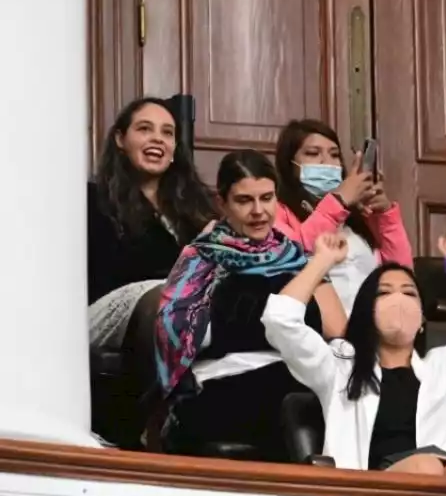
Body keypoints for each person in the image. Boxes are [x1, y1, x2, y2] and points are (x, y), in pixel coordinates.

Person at [263, 232, 446, 473]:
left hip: (442, 483)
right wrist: (322, 261)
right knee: (428, 467)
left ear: (422, 319)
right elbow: (280, 320)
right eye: (385, 293)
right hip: (368, 493)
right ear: (366, 310)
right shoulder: (339, 364)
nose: (398, 300)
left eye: (409, 293)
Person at [154, 150, 345, 460]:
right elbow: (176, 332)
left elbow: (336, 326)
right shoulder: (202, 257)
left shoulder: (297, 257)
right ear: (222, 203)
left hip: (297, 376)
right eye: (244, 201)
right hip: (222, 384)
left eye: (266, 198)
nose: (258, 211)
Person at [88, 97, 217, 350]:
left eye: (167, 133)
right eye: (144, 128)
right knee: (171, 298)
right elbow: (117, 271)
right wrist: (193, 260)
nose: (158, 138)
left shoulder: (195, 208)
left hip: (185, 305)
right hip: (113, 305)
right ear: (120, 139)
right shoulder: (94, 199)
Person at [273, 119, 412, 312]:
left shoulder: (356, 215)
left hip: (367, 330)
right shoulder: (275, 211)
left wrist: (384, 215)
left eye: (335, 155)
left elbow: (401, 271)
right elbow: (295, 255)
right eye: (313, 153)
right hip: (315, 331)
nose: (327, 162)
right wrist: (339, 201)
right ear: (290, 163)